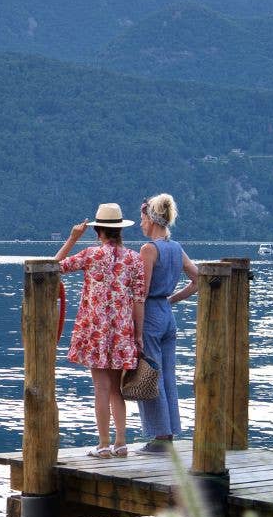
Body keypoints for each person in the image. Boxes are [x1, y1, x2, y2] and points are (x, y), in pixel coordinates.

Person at [53, 203, 144, 457]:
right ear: (120, 231)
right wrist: (138, 334)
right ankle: (121, 443)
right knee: (117, 390)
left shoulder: (91, 255)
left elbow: (54, 266)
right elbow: (139, 299)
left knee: (101, 390)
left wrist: (72, 238)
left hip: (95, 331)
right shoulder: (134, 259)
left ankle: (103, 445)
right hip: (122, 331)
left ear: (98, 231)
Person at [135, 194, 199, 454]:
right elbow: (198, 279)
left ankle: (159, 437)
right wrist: (171, 299)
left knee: (150, 374)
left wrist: (136, 330)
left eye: (141, 218)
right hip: (167, 315)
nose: (140, 224)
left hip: (150, 312)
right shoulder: (176, 248)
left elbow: (142, 291)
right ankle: (169, 433)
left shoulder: (149, 249)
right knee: (168, 375)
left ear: (151, 219)